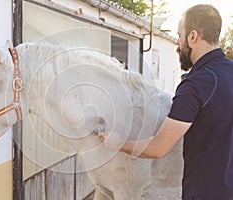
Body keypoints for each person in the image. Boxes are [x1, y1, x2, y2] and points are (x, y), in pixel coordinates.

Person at [98, 4, 233, 200]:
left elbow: (158, 148)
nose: (178, 42)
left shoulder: (195, 85)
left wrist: (118, 142)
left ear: (193, 37)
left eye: (180, 35)